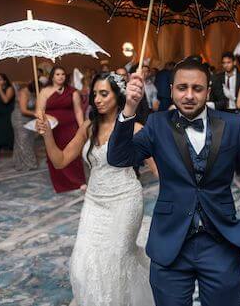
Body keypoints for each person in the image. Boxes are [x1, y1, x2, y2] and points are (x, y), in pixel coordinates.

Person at [107, 58, 240, 306]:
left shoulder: (233, 125)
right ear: (171, 90)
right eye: (182, 88)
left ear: (208, 91)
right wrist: (129, 107)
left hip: (221, 242)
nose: (189, 95)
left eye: (197, 88)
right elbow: (118, 158)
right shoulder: (157, 124)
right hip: (170, 243)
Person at [36, 73, 154, 306]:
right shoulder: (88, 127)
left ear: (118, 96)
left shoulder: (136, 128)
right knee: (82, 262)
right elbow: (60, 161)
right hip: (94, 202)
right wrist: (48, 135)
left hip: (125, 200)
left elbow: (159, 169)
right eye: (95, 94)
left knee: (116, 261)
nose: (97, 99)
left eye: (104, 94)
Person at [37, 66, 86, 193]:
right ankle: (61, 183)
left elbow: (78, 111)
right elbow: (39, 111)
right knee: (54, 154)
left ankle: (78, 181)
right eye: (57, 74)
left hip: (70, 127)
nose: (60, 76)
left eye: (63, 74)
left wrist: (82, 129)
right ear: (52, 76)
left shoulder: (73, 92)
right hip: (53, 130)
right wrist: (43, 117)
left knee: (74, 155)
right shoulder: (44, 91)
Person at [11, 82, 38, 171]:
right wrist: (36, 114)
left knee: (29, 141)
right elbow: (23, 110)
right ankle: (25, 164)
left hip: (30, 118)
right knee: (22, 141)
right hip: (19, 119)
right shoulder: (24, 92)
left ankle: (22, 162)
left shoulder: (35, 93)